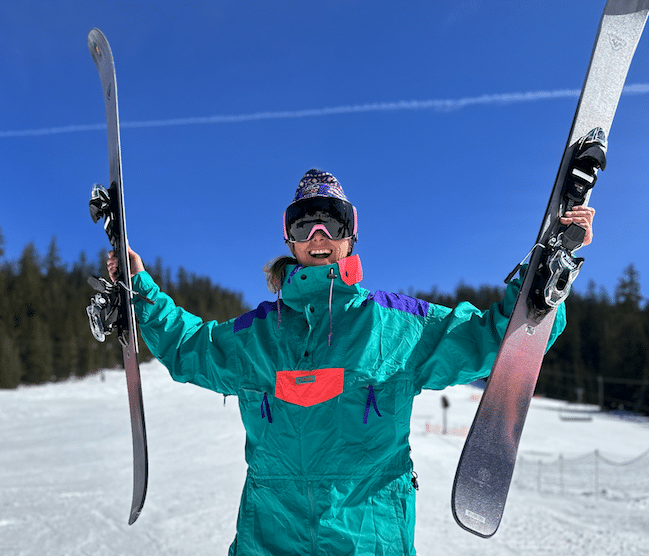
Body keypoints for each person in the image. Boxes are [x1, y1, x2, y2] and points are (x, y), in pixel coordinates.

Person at [108, 169, 595, 555]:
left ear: (350, 235)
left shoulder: (395, 326)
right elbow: (188, 346)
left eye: (332, 223)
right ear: (290, 240)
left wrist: (542, 286)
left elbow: (491, 340)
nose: (318, 234)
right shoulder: (256, 337)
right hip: (268, 541)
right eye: (304, 223)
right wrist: (140, 291)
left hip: (371, 540)